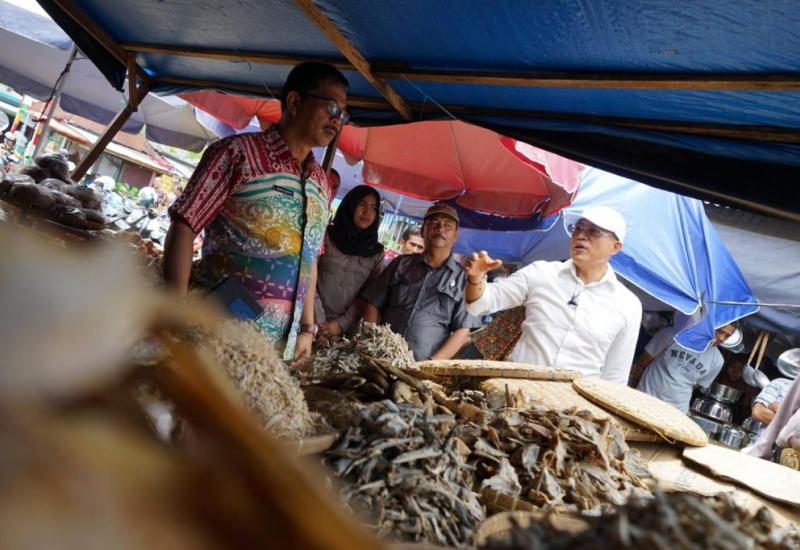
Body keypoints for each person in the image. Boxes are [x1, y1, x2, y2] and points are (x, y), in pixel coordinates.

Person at [163, 62, 349, 363]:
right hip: (216, 333)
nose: (337, 120)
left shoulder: (321, 184)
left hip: (278, 351)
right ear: (294, 101)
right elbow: (184, 225)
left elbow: (310, 258)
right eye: (331, 107)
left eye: (343, 113)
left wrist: (306, 329)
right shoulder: (238, 154)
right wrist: (174, 313)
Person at [463, 206, 642, 383]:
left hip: (573, 407)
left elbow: (615, 377)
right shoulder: (541, 272)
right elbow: (482, 303)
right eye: (577, 228)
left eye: (593, 231)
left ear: (615, 247)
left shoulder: (628, 305)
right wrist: (476, 277)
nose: (580, 235)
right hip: (517, 393)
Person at [361, 203, 479, 361]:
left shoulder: (463, 279)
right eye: (434, 223)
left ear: (456, 235)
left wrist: (433, 363)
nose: (440, 229)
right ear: (423, 229)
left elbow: (462, 330)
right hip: (380, 358)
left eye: (447, 225)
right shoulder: (400, 264)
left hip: (423, 367)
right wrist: (370, 341)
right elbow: (373, 303)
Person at [314, 185, 385, 341]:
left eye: (373, 208)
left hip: (345, 333)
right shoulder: (325, 236)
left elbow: (370, 294)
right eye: (362, 204)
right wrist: (319, 323)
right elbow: (308, 277)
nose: (367, 212)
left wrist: (340, 324)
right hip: (310, 323)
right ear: (350, 204)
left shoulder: (376, 252)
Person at [634, 324, 737, 413]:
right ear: (708, 325)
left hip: (676, 411)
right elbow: (643, 362)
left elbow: (696, 385)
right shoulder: (672, 335)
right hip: (645, 399)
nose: (722, 338)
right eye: (720, 331)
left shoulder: (718, 360)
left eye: (727, 336)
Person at [744, 376, 800, 461]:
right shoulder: (780, 383)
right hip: (757, 450)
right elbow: (758, 413)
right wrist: (790, 421)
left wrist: (777, 409)